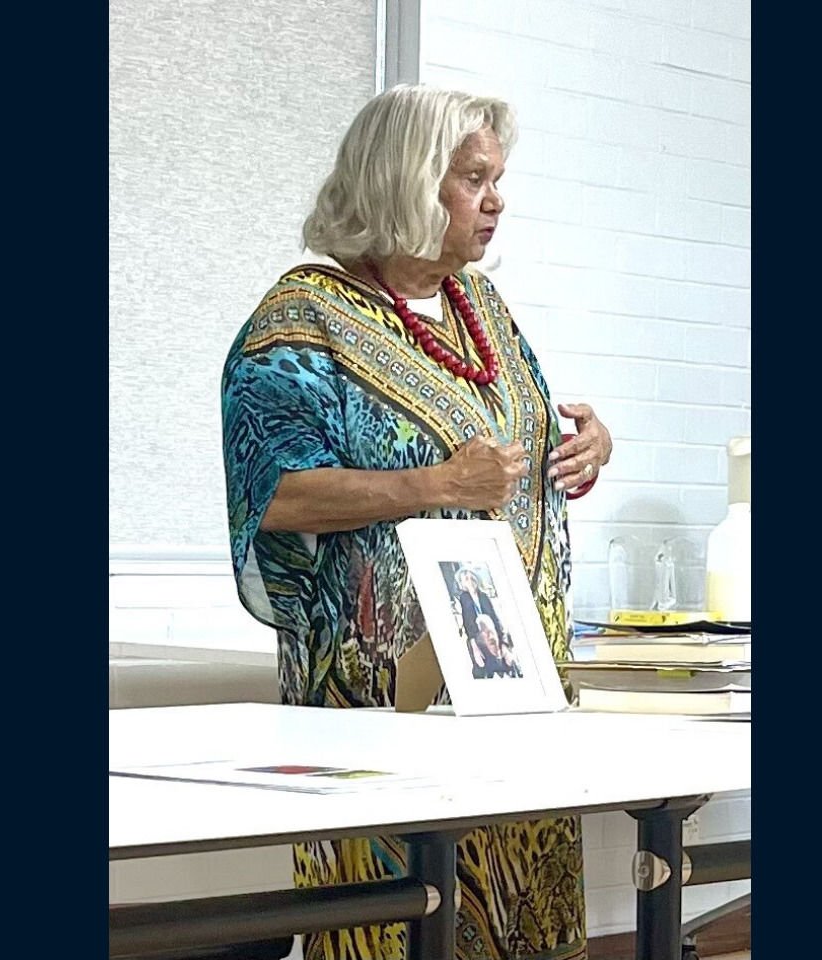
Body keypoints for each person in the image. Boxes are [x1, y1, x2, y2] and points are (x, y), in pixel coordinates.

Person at [222, 84, 613, 960]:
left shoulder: (485, 313)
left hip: (511, 708)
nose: (496, 199)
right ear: (404, 180)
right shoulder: (301, 322)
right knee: (392, 929)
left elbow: (518, 451)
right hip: (375, 716)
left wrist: (587, 445)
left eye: (498, 178)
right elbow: (276, 492)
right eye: (473, 177)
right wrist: (435, 481)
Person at [472, 613, 522, 678]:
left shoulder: (511, 659)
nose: (490, 636)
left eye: (491, 631)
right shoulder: (484, 665)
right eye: (485, 634)